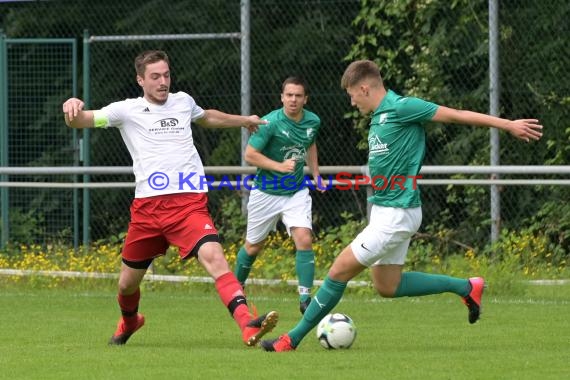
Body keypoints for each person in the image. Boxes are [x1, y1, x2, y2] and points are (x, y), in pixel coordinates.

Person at [260, 59, 543, 351]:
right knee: (387, 286)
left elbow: (456, 115)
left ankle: (290, 339)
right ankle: (466, 287)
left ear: (364, 88)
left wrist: (508, 125)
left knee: (338, 270)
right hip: (386, 210)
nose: (352, 100)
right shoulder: (378, 117)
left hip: (398, 213)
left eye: (352, 94)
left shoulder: (402, 107)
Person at [62, 50, 279, 347]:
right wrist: (71, 108)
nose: (163, 82)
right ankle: (130, 321)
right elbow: (80, 121)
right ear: (140, 80)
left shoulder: (183, 101)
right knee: (126, 284)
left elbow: (208, 117)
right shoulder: (125, 110)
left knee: (214, 257)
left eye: (166, 75)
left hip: (188, 203)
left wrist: (244, 120)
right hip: (148, 209)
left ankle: (247, 323)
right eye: (155, 77)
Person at [233, 76, 324, 314]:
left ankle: (305, 298)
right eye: (289, 95)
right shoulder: (270, 122)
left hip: (295, 192)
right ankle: (235, 288)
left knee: (303, 238)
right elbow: (250, 155)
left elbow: (310, 143)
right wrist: (279, 166)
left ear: (306, 99)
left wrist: (316, 174)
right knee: (253, 247)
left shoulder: (313, 121)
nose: (293, 99)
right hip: (265, 193)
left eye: (298, 95)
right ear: (282, 97)